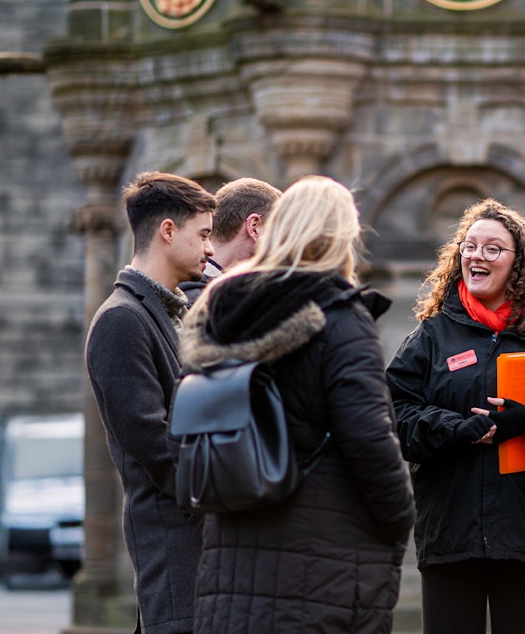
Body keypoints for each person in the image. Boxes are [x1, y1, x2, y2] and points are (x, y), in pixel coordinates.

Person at [180, 175, 415, 634]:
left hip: (231, 549)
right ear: (342, 236)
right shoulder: (341, 317)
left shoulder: (220, 309)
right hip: (322, 560)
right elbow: (369, 438)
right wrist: (400, 517)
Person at [387, 199, 525, 634]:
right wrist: (455, 429)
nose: (477, 256)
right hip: (449, 536)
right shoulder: (431, 336)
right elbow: (393, 414)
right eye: (470, 246)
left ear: (519, 264)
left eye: (492, 249)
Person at [84, 171, 216, 634]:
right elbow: (155, 445)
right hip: (176, 553)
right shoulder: (121, 319)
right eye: (203, 234)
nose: (211, 249)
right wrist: (233, 486)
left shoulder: (166, 310)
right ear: (167, 231)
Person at [180, 177, 281, 304]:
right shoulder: (209, 304)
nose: (282, 245)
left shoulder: (186, 290)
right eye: (280, 230)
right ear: (254, 227)